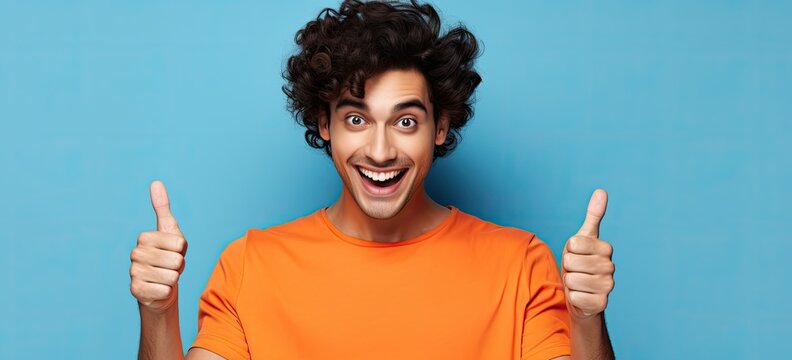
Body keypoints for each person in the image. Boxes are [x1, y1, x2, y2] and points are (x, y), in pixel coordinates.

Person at [129, 1, 616, 359]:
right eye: (356, 119)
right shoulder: (250, 266)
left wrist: (588, 320)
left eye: (406, 121)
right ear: (325, 125)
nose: (380, 151)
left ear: (440, 127)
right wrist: (158, 312)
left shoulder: (521, 265)